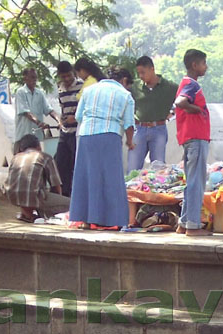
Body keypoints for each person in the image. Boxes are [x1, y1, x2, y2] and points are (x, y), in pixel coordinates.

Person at [69, 67, 135, 229]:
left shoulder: (89, 90)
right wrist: (130, 142)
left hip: (86, 135)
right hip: (109, 136)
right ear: (124, 81)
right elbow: (129, 124)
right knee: (111, 178)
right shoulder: (125, 95)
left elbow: (78, 116)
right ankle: (115, 221)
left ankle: (85, 220)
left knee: (87, 176)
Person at [174, 49, 211, 237]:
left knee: (191, 182)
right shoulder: (192, 85)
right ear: (195, 65)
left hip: (190, 138)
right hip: (196, 138)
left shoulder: (185, 83)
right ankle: (193, 225)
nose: (205, 67)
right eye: (203, 63)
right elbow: (180, 102)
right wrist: (196, 108)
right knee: (197, 182)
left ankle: (184, 222)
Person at [127, 56, 178, 172]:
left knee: (158, 168)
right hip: (139, 129)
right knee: (132, 168)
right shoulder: (134, 87)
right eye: (138, 73)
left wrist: (172, 114)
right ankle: (130, 189)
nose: (140, 76)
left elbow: (182, 101)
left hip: (159, 129)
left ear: (152, 69)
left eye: (143, 72)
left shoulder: (170, 87)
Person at [4, 134, 62, 223]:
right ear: (38, 146)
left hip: (12, 196)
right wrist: (57, 201)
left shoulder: (16, 158)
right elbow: (56, 185)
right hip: (34, 196)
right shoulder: (45, 157)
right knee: (70, 206)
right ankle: (41, 214)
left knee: (26, 188)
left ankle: (26, 214)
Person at [54, 61, 83, 198]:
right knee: (60, 163)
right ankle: (63, 194)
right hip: (64, 132)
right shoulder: (60, 89)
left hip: (76, 133)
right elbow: (63, 109)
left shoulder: (81, 87)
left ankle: (74, 193)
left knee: (75, 163)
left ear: (73, 73)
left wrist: (75, 118)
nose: (66, 79)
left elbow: (85, 110)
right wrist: (61, 121)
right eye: (63, 77)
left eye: (68, 76)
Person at [14, 67, 59, 154]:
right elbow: (26, 113)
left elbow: (49, 110)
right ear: (25, 78)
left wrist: (59, 120)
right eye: (32, 77)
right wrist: (39, 123)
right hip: (23, 136)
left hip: (36, 139)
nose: (34, 80)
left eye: (35, 78)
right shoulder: (21, 92)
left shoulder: (40, 93)